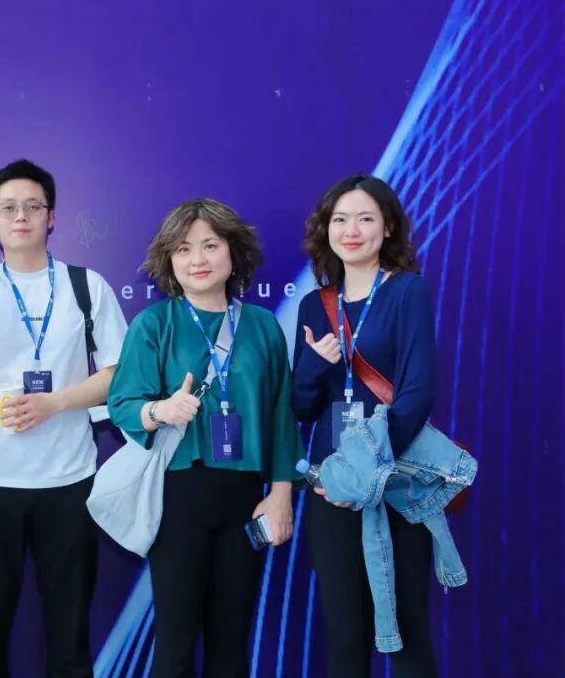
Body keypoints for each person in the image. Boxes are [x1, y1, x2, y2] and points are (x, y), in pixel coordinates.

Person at [0, 159, 128, 677]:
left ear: (52, 216)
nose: (20, 216)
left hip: (69, 481)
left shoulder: (85, 286)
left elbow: (118, 373)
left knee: (69, 635)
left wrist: (56, 403)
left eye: (32, 206)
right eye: (8, 208)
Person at [107, 198, 301, 677]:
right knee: (175, 645)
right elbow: (122, 403)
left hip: (246, 498)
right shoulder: (155, 324)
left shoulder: (262, 325)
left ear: (233, 251)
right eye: (184, 248)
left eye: (210, 245)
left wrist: (280, 493)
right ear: (169, 260)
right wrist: (161, 410)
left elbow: (281, 414)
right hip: (178, 496)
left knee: (231, 645)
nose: (198, 259)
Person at [291, 174, 437, 677]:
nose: (351, 230)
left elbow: (417, 393)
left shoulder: (407, 291)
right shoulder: (314, 305)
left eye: (365, 218)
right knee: (345, 636)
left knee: (407, 632)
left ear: (388, 227)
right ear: (326, 228)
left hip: (395, 481)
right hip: (331, 491)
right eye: (340, 219)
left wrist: (362, 471)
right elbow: (302, 406)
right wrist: (314, 366)